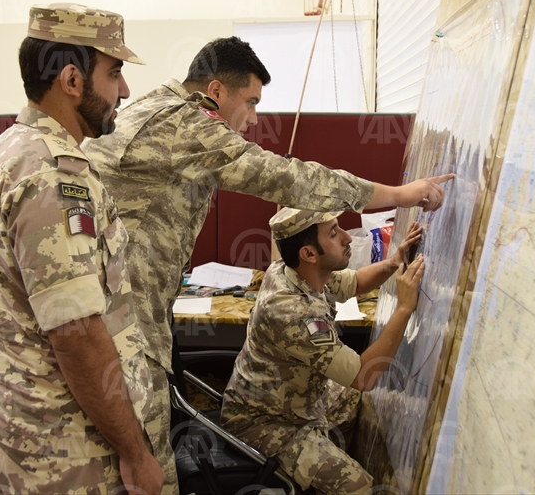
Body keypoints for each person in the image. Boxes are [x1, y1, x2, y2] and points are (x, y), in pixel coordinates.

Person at [80, 35, 453, 490]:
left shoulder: (154, 110)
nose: (254, 119)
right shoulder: (186, 124)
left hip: (117, 320)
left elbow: (350, 282)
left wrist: (394, 261)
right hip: (124, 335)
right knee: (150, 479)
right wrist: (401, 195)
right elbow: (289, 178)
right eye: (251, 102)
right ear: (216, 91)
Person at [0, 3, 163, 495]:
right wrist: (135, 454)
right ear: (72, 80)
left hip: (24, 422)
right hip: (65, 444)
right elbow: (76, 333)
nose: (125, 91)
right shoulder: (51, 174)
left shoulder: (6, 150)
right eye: (114, 73)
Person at [220, 208, 426, 494]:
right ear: (309, 254)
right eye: (333, 233)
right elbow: (364, 376)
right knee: (359, 486)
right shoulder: (292, 313)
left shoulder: (293, 269)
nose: (346, 238)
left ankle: (319, 472)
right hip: (266, 422)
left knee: (353, 401)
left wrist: (394, 262)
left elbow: (355, 282)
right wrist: (404, 308)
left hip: (297, 399)